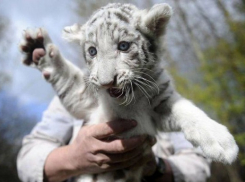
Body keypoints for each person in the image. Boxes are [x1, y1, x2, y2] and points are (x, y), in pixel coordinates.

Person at [17, 97, 211, 182]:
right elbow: (27, 161)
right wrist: (74, 158)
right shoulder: (69, 97)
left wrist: (155, 168)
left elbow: (198, 166)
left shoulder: (170, 103)